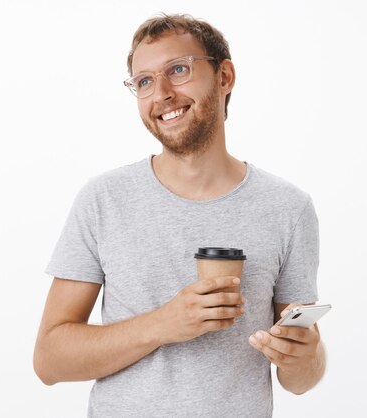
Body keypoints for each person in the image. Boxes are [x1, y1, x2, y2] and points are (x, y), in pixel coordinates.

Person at [34, 13, 326, 417]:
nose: (162, 93)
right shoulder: (104, 199)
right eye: (145, 81)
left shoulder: (287, 207)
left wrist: (304, 359)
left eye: (178, 69)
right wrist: (164, 324)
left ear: (224, 77)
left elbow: (300, 378)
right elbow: (50, 360)